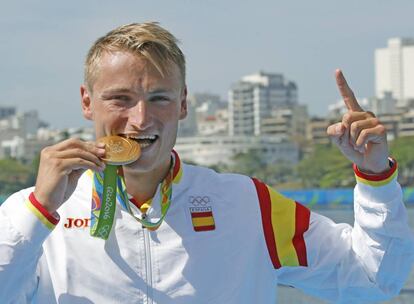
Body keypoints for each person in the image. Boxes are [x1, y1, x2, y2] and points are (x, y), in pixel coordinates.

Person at [0, 22, 413, 304]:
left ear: (182, 104)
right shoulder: (33, 212)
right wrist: (40, 210)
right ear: (87, 102)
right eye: (120, 98)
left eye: (159, 98)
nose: (140, 119)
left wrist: (376, 178)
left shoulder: (247, 204)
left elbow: (374, 281)